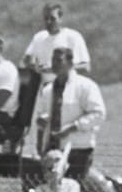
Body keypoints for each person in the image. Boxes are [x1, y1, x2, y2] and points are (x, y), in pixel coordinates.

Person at [34, 45, 105, 180]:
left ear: (70, 63)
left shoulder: (85, 86)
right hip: (52, 149)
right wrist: (40, 141)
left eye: (59, 61)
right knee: (53, 191)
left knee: (73, 189)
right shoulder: (48, 90)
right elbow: (40, 118)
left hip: (77, 148)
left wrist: (73, 127)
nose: (55, 65)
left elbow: (98, 113)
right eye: (53, 60)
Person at [22, 3, 91, 82]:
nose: (49, 22)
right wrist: (35, 67)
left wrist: (58, 69)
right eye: (46, 18)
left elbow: (86, 67)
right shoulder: (38, 37)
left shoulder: (73, 37)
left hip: (68, 86)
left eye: (52, 18)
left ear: (60, 18)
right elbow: (25, 61)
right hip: (45, 89)